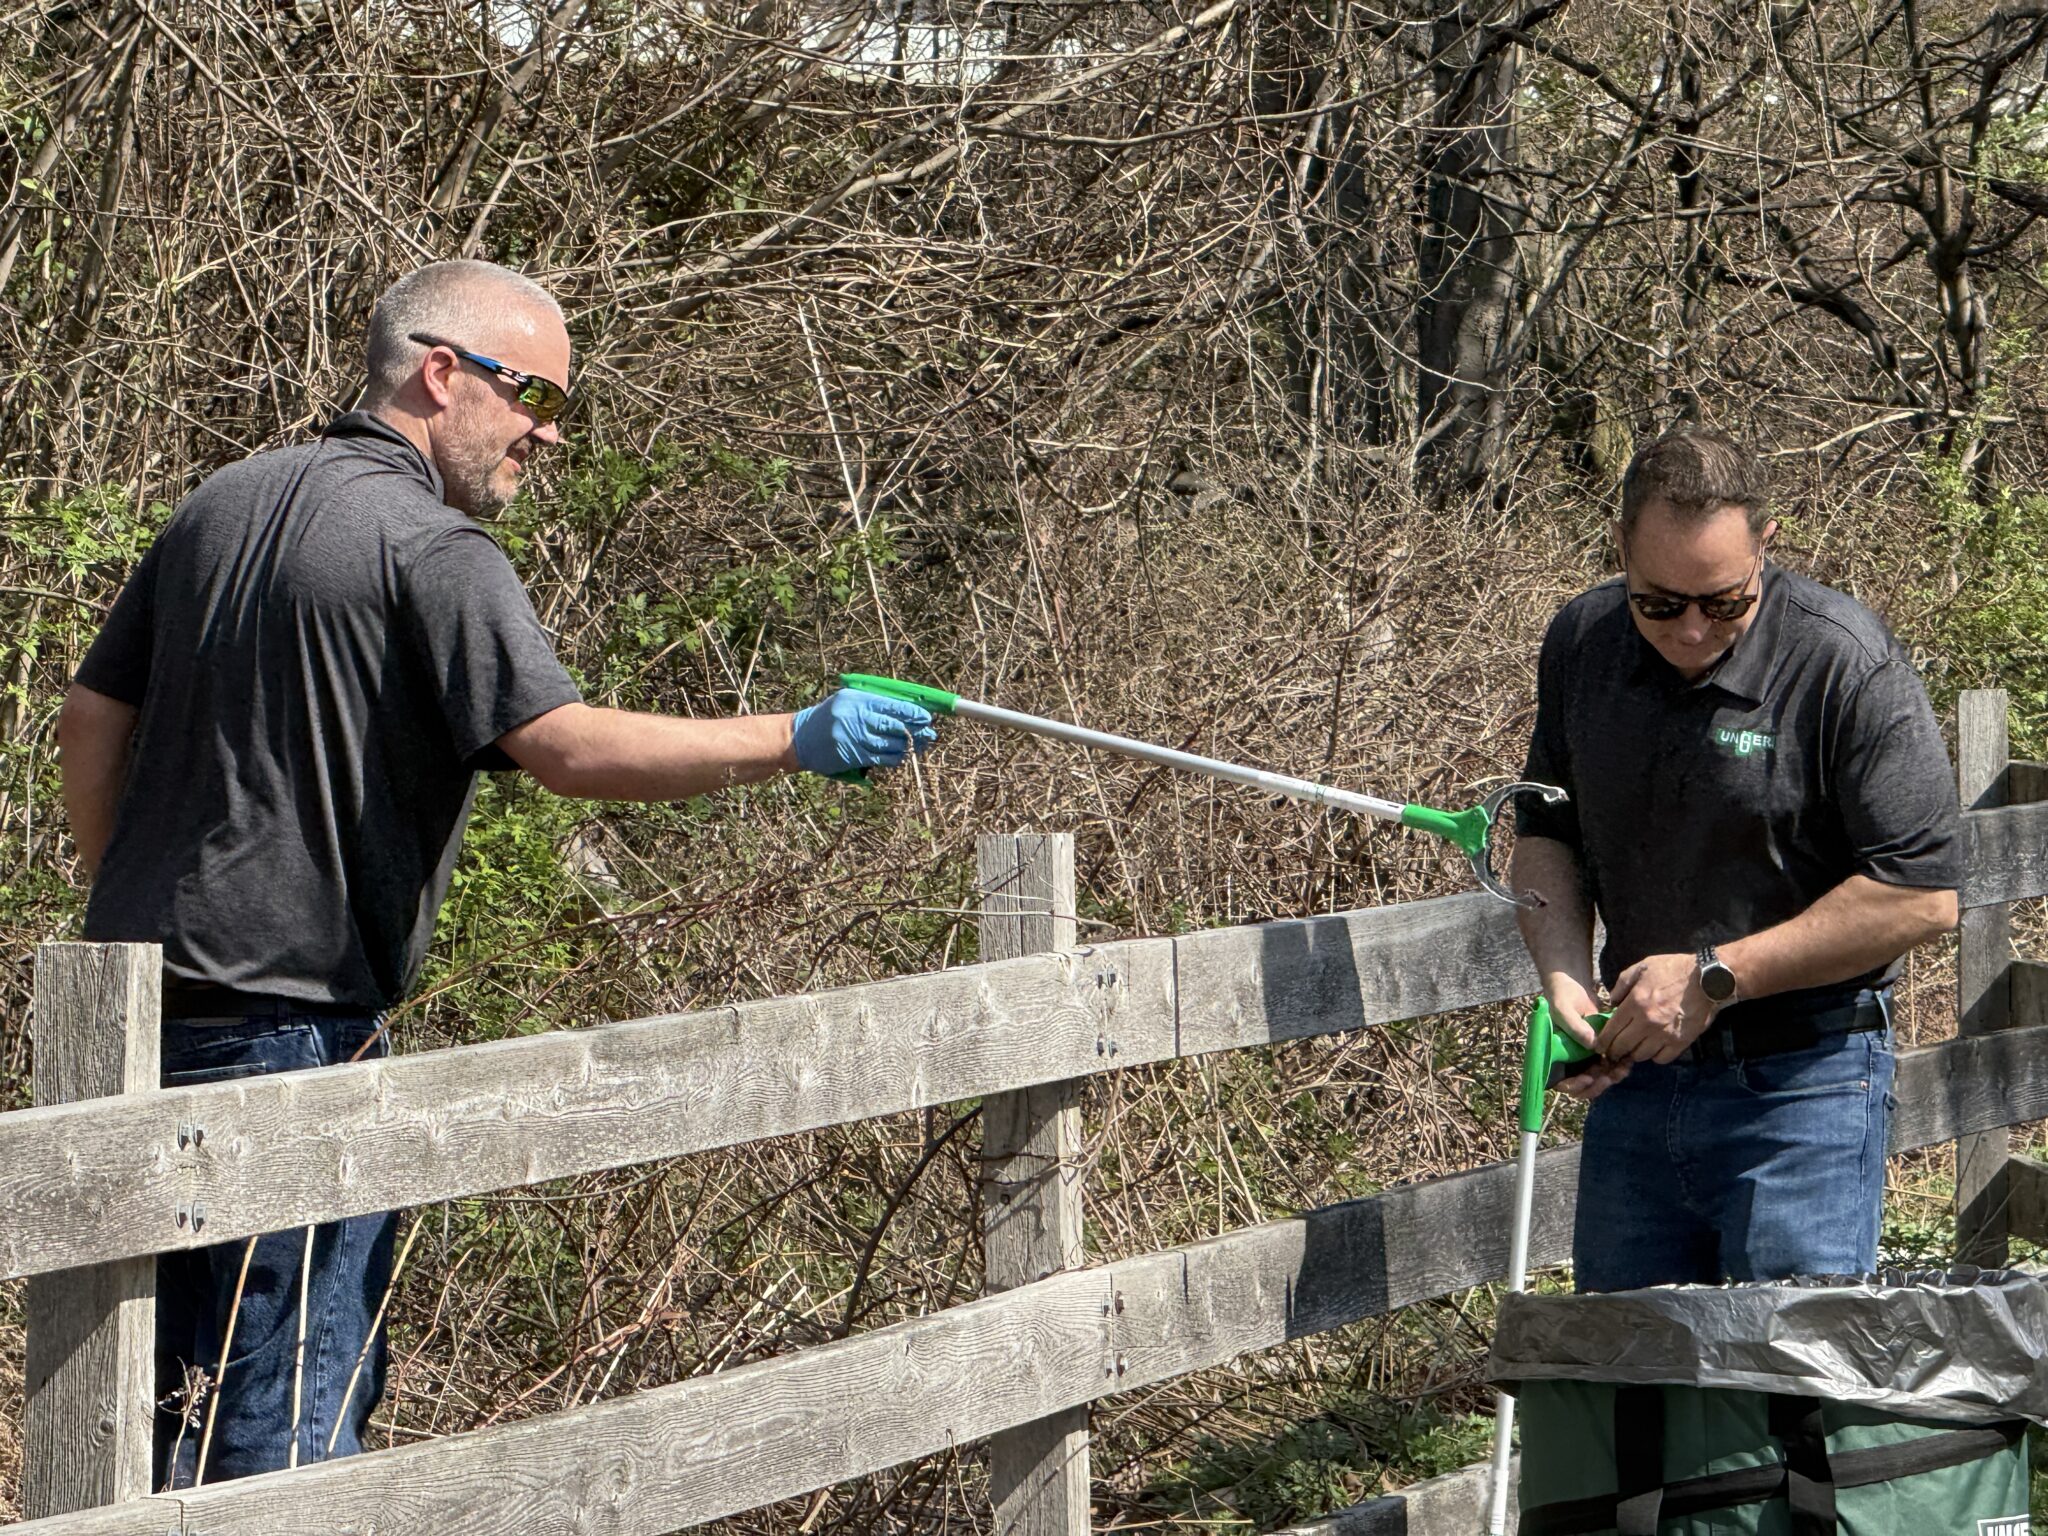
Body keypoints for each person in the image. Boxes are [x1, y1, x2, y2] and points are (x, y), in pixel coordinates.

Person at [55, 259, 936, 1487]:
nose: (547, 434)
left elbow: (89, 718)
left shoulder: (221, 503)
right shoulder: (434, 547)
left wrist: (128, 911)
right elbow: (565, 749)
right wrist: (793, 737)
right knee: (280, 1430)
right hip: (293, 1037)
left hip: (132, 1022)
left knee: (138, 1416)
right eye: (536, 397)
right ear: (440, 372)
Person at [1511, 424, 1959, 1292]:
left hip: (1806, 1088)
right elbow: (1546, 832)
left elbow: (1922, 895)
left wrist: (1713, 979)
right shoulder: (1582, 642)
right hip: (1637, 1084)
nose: (1689, 629)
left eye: (1723, 603)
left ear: (1766, 545)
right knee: (1629, 1368)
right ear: (1619, 550)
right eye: (1658, 603)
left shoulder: (1844, 662)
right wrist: (1565, 980)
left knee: (1784, 1369)